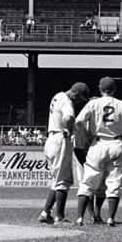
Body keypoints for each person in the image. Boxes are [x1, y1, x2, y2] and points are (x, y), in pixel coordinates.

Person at [74, 77, 122, 227]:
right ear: (114, 89)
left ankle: (79, 218)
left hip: (98, 143)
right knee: (114, 182)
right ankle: (110, 218)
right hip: (117, 142)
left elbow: (78, 121)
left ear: (100, 89)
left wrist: (86, 135)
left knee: (88, 181)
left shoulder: (93, 103)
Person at [37, 82, 90, 226]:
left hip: (51, 139)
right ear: (76, 94)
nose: (79, 102)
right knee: (63, 181)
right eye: (80, 98)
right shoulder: (67, 101)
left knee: (57, 180)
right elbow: (68, 118)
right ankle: (59, 217)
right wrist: (69, 130)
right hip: (60, 139)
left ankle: (45, 213)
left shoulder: (57, 96)